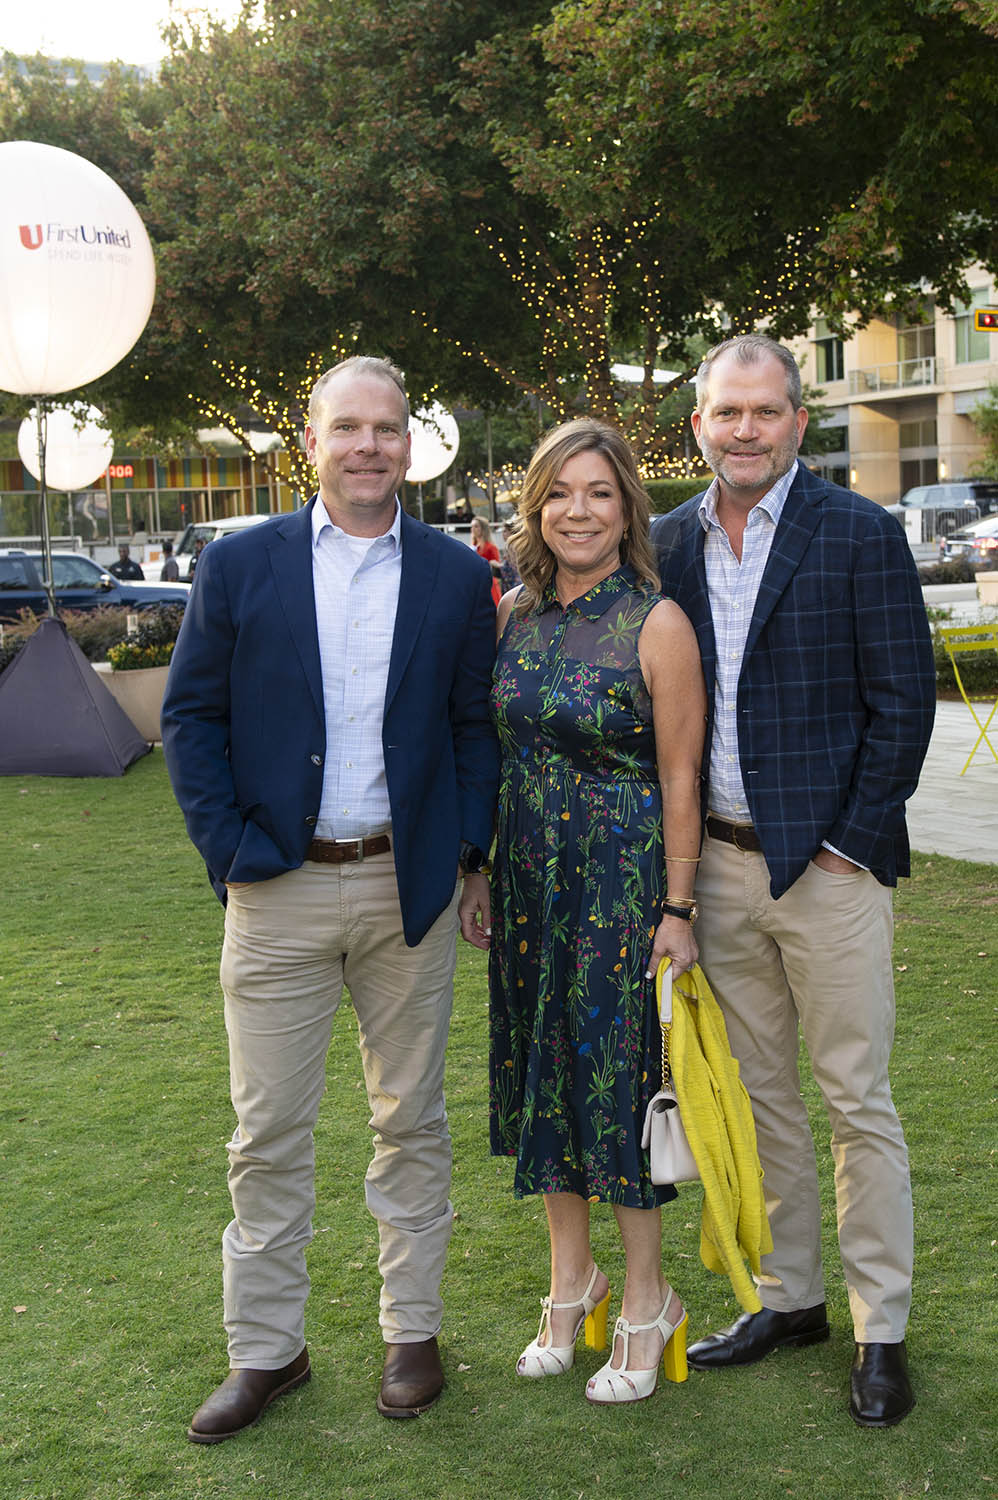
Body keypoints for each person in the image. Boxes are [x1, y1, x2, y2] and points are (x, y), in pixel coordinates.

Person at [161, 354, 499, 1441]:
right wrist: (232, 854)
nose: (367, 445)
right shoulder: (240, 563)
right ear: (308, 441)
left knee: (412, 1122)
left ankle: (412, 1331)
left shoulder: (452, 574)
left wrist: (463, 846)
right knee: (266, 1134)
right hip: (278, 889)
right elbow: (190, 720)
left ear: (411, 444)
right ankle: (267, 1351)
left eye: (386, 428)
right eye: (345, 426)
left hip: (408, 891)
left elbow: (470, 727)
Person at [652, 333, 936, 1428]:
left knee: (854, 1098)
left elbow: (900, 705)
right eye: (725, 413)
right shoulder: (666, 542)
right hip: (714, 870)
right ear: (698, 426)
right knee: (762, 1094)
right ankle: (790, 1298)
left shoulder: (858, 535)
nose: (743, 430)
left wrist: (846, 844)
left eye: (764, 412)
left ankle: (879, 1326)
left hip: (827, 872)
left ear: (796, 421)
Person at [483, 417, 706, 1404]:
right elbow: (498, 752)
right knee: (546, 1087)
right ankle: (569, 1288)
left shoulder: (656, 621)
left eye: (599, 493)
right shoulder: (510, 616)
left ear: (626, 511)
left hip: (620, 890)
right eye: (560, 493)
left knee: (614, 1091)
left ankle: (648, 1302)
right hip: (530, 883)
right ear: (536, 505)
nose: (578, 510)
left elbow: (680, 775)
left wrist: (678, 906)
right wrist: (480, 869)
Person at [470, 514, 502, 606]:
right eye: (472, 526)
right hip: (476, 584)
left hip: (489, 585)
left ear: (483, 529)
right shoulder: (474, 547)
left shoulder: (491, 547)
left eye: (476, 526)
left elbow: (496, 568)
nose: (473, 529)